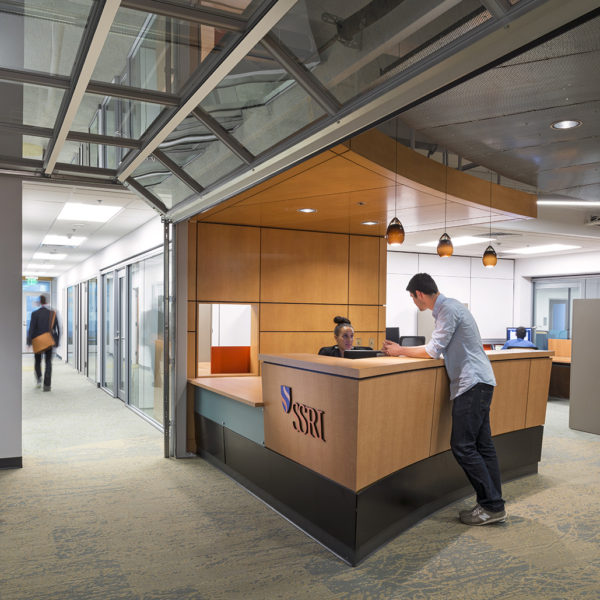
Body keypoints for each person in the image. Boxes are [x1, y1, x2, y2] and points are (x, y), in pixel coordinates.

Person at [381, 273, 506, 526]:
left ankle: (492, 506)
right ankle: (493, 504)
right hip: (480, 382)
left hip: (471, 384)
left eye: (412, 297)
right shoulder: (448, 309)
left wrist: (399, 350)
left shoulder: (448, 309)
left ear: (419, 294)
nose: (414, 303)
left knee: (463, 446)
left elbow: (432, 351)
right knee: (483, 447)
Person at [27, 295, 60, 392]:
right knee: (48, 362)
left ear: (40, 302)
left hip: (37, 341)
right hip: (49, 341)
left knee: (37, 361)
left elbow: (31, 329)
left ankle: (39, 379)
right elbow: (58, 328)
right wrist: (57, 341)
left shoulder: (34, 313)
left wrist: (29, 342)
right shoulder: (52, 313)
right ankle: (47, 385)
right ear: (46, 302)